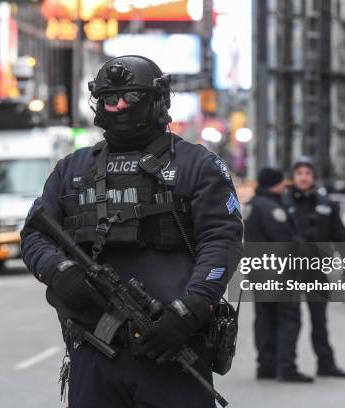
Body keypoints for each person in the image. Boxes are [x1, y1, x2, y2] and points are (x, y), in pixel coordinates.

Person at [20, 55, 243, 408]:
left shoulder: (197, 165)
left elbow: (223, 243)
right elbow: (34, 235)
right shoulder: (72, 169)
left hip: (172, 348)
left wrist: (188, 310)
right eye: (111, 98)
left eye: (131, 97)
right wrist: (59, 272)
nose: (120, 106)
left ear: (157, 100)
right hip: (94, 352)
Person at [283, 156, 345, 379]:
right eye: (299, 173)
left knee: (320, 322)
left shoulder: (327, 205)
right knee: (290, 322)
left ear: (314, 178)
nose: (303, 177)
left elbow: (340, 236)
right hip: (290, 271)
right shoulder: (283, 202)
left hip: (316, 271)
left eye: (308, 173)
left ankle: (326, 364)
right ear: (293, 177)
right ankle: (286, 367)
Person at [244, 167, 301, 380]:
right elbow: (285, 241)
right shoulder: (271, 207)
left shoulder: (253, 204)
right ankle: (286, 367)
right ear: (275, 184)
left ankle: (265, 366)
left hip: (259, 271)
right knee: (288, 319)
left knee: (264, 318)